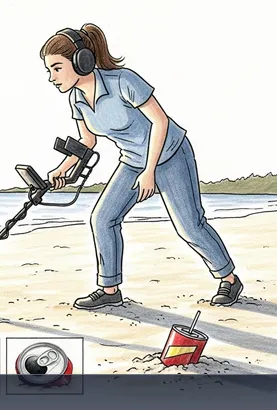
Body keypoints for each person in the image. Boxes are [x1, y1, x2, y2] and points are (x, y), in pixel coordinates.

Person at [40, 24, 244, 309]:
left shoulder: (124, 81)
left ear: (81, 61)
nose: (52, 77)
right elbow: (87, 141)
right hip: (133, 161)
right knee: (103, 218)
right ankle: (110, 289)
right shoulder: (76, 98)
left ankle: (229, 280)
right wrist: (64, 168)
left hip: (170, 154)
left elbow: (160, 122)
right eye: (49, 70)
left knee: (189, 226)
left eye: (57, 68)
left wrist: (150, 171)